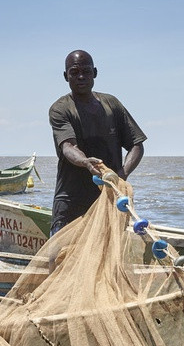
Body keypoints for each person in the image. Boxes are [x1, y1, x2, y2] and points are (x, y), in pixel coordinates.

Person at [49, 50, 147, 234]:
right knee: (58, 255)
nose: (81, 77)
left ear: (95, 73)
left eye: (86, 72)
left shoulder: (112, 104)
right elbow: (68, 146)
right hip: (71, 198)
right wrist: (86, 162)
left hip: (109, 196)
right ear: (65, 76)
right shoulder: (60, 109)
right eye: (74, 72)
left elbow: (136, 144)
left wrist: (122, 174)